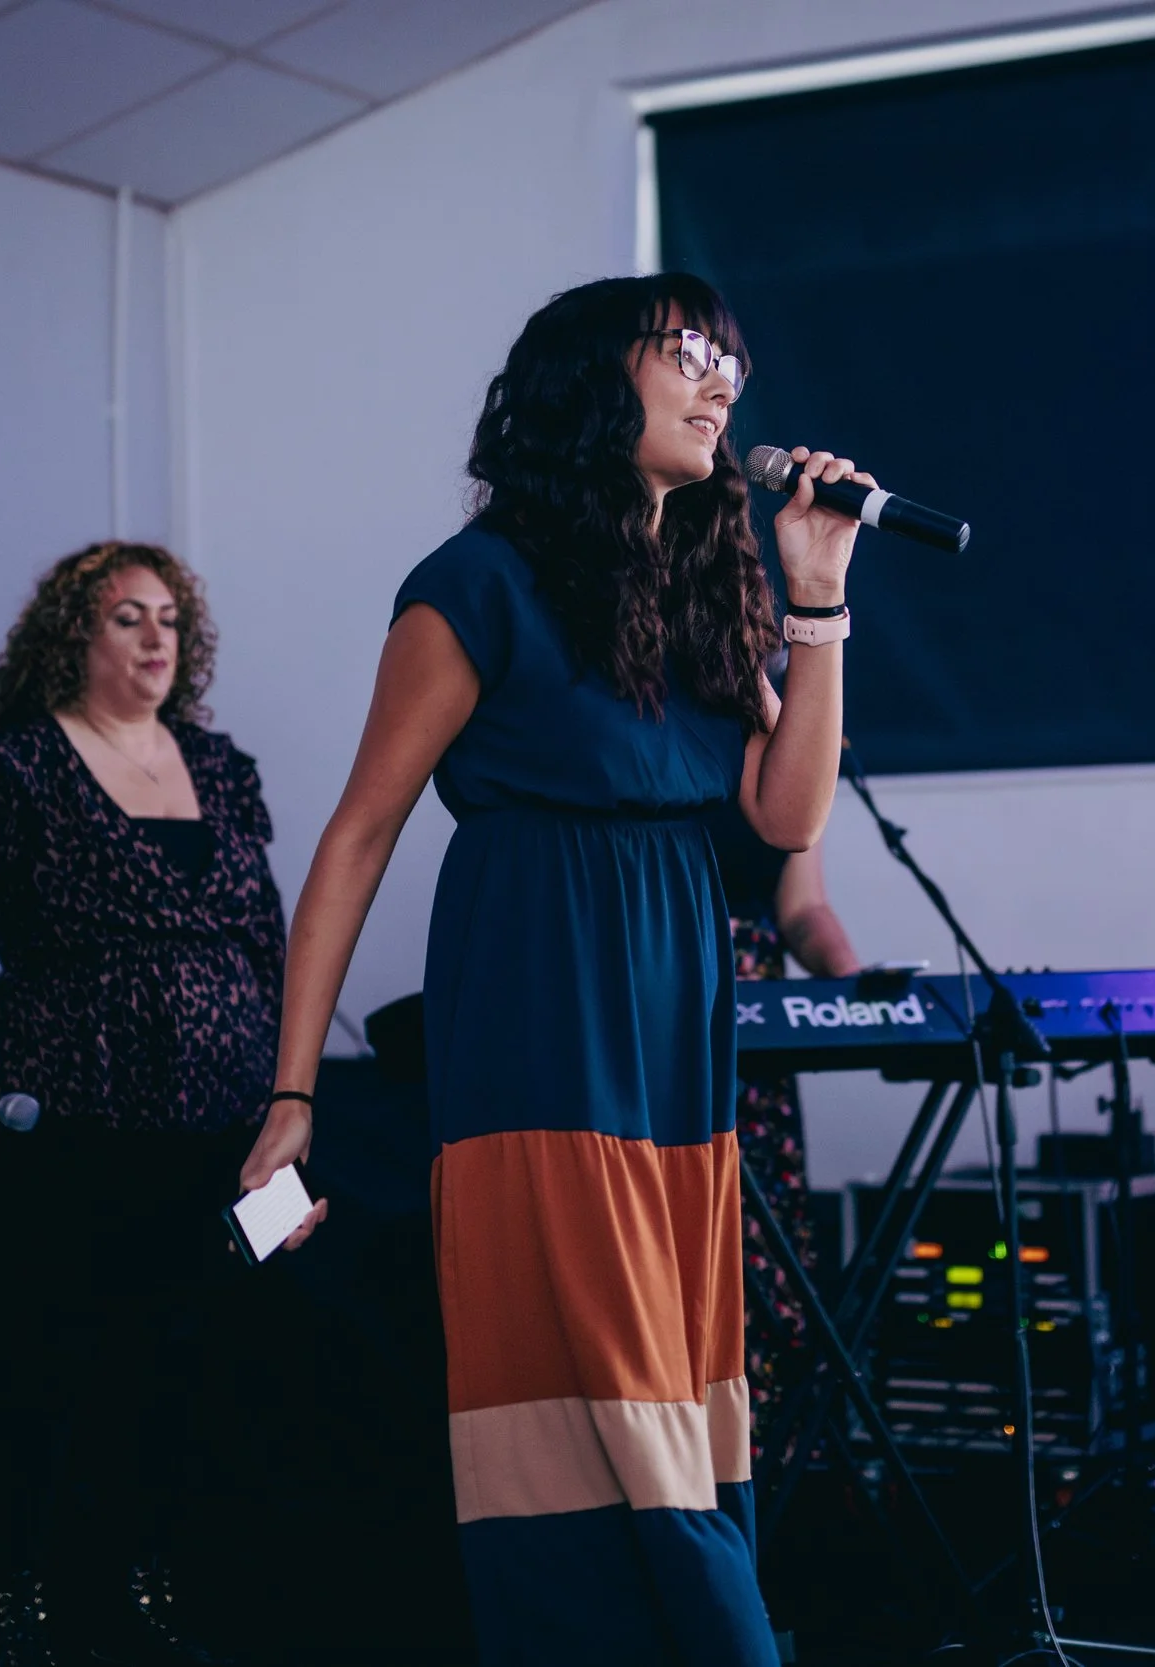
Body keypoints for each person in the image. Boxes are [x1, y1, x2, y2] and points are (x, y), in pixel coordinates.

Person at [238, 273, 866, 1666]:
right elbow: (355, 838)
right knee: (603, 1364)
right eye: (690, 353)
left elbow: (790, 817)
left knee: (673, 1377)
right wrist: (293, 1093)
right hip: (541, 992)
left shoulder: (708, 583)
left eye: (733, 361)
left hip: (675, 1008)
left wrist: (814, 598)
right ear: (594, 380)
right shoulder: (478, 581)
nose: (722, 385)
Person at [0, 542, 291, 1667]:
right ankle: (24, 1603)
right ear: (73, 638)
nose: (155, 638)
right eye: (125, 617)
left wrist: (291, 1104)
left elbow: (266, 944)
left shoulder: (221, 767)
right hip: (74, 1121)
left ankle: (149, 1592)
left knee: (191, 1364)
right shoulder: (18, 767)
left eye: (169, 620)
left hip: (226, 1124)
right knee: (55, 1365)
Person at [708, 809, 860, 1463]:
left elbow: (801, 910)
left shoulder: (784, 731)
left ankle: (774, 1463)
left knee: (764, 1243)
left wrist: (858, 986)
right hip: (651, 992)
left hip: (755, 1042)